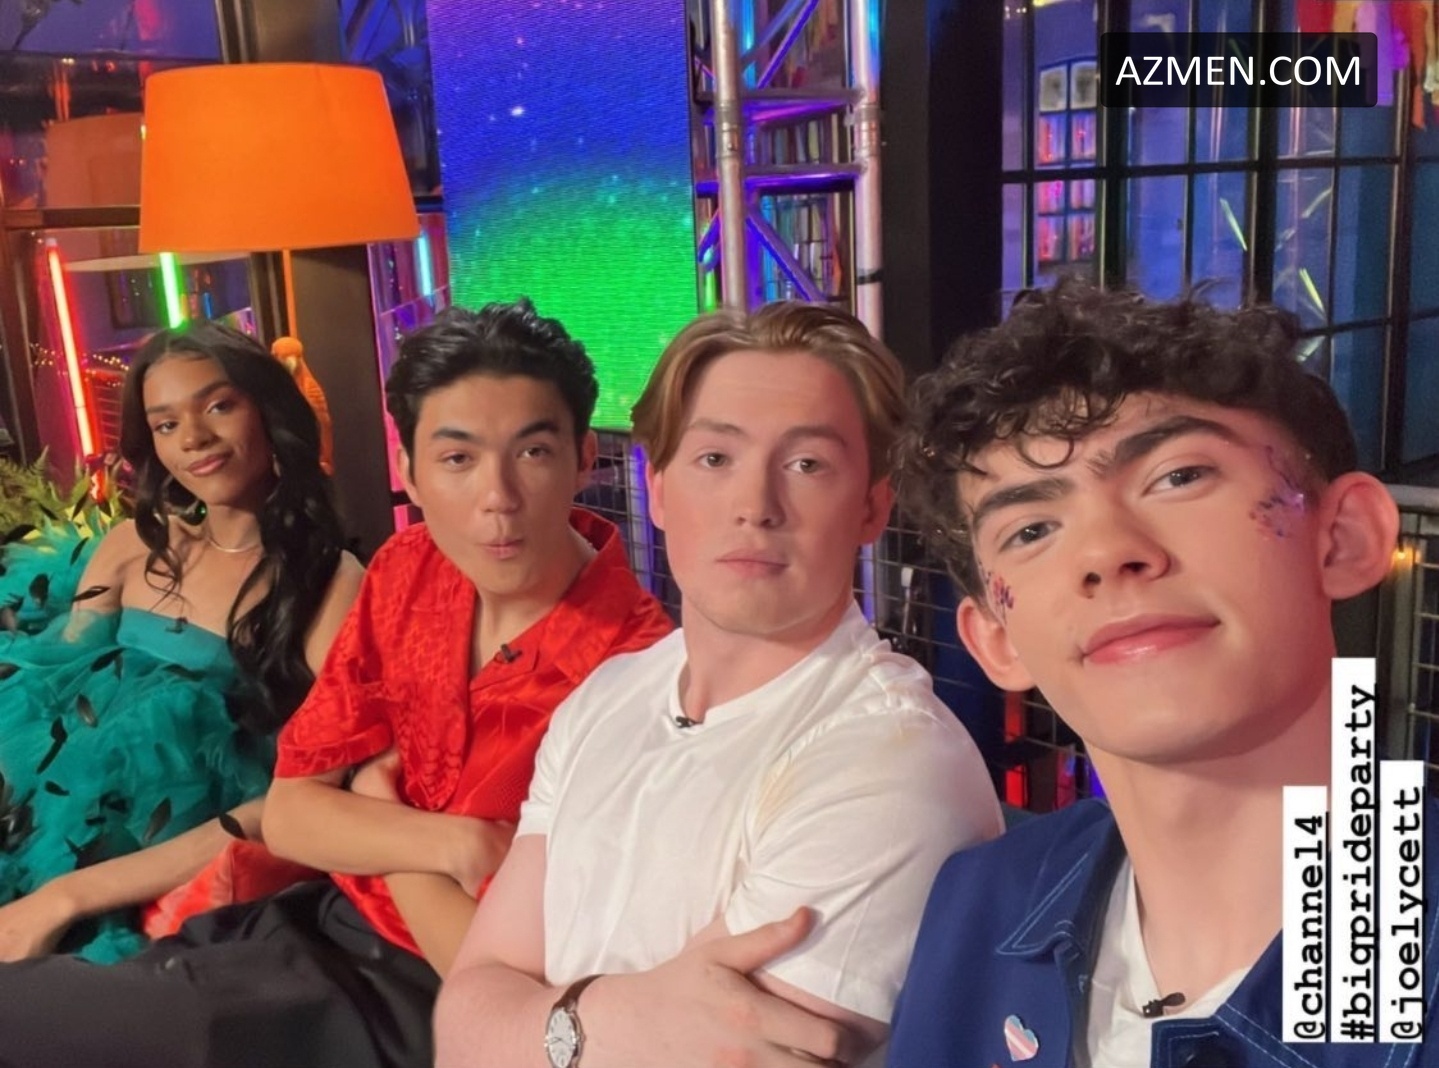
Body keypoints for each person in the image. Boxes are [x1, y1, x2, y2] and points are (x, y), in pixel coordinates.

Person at [0, 299, 672, 1068]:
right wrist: (446, 841)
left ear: (584, 457)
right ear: (408, 471)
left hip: (412, 992)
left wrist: (382, 824)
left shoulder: (641, 675)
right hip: (305, 919)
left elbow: (517, 994)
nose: (497, 497)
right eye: (457, 459)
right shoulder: (410, 569)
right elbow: (296, 811)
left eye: (532, 451)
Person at [435, 300, 1003, 1068]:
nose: (754, 506)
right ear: (658, 490)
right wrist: (613, 1021)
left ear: (872, 506)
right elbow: (462, 1017)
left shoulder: (895, 760)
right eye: (714, 459)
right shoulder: (605, 697)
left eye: (806, 465)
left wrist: (535, 1023)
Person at [886, 279, 1435, 1067]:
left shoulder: (1394, 953)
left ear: (1342, 536)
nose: (1106, 551)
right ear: (995, 640)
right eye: (1031, 529)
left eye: (1178, 477)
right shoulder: (980, 904)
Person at [0, 320, 361, 964]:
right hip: (42, 833)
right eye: (165, 424)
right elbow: (51, 697)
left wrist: (65, 899)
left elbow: (298, 801)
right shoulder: (133, 546)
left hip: (159, 880)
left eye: (218, 406)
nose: (192, 438)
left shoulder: (329, 581)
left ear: (269, 411)